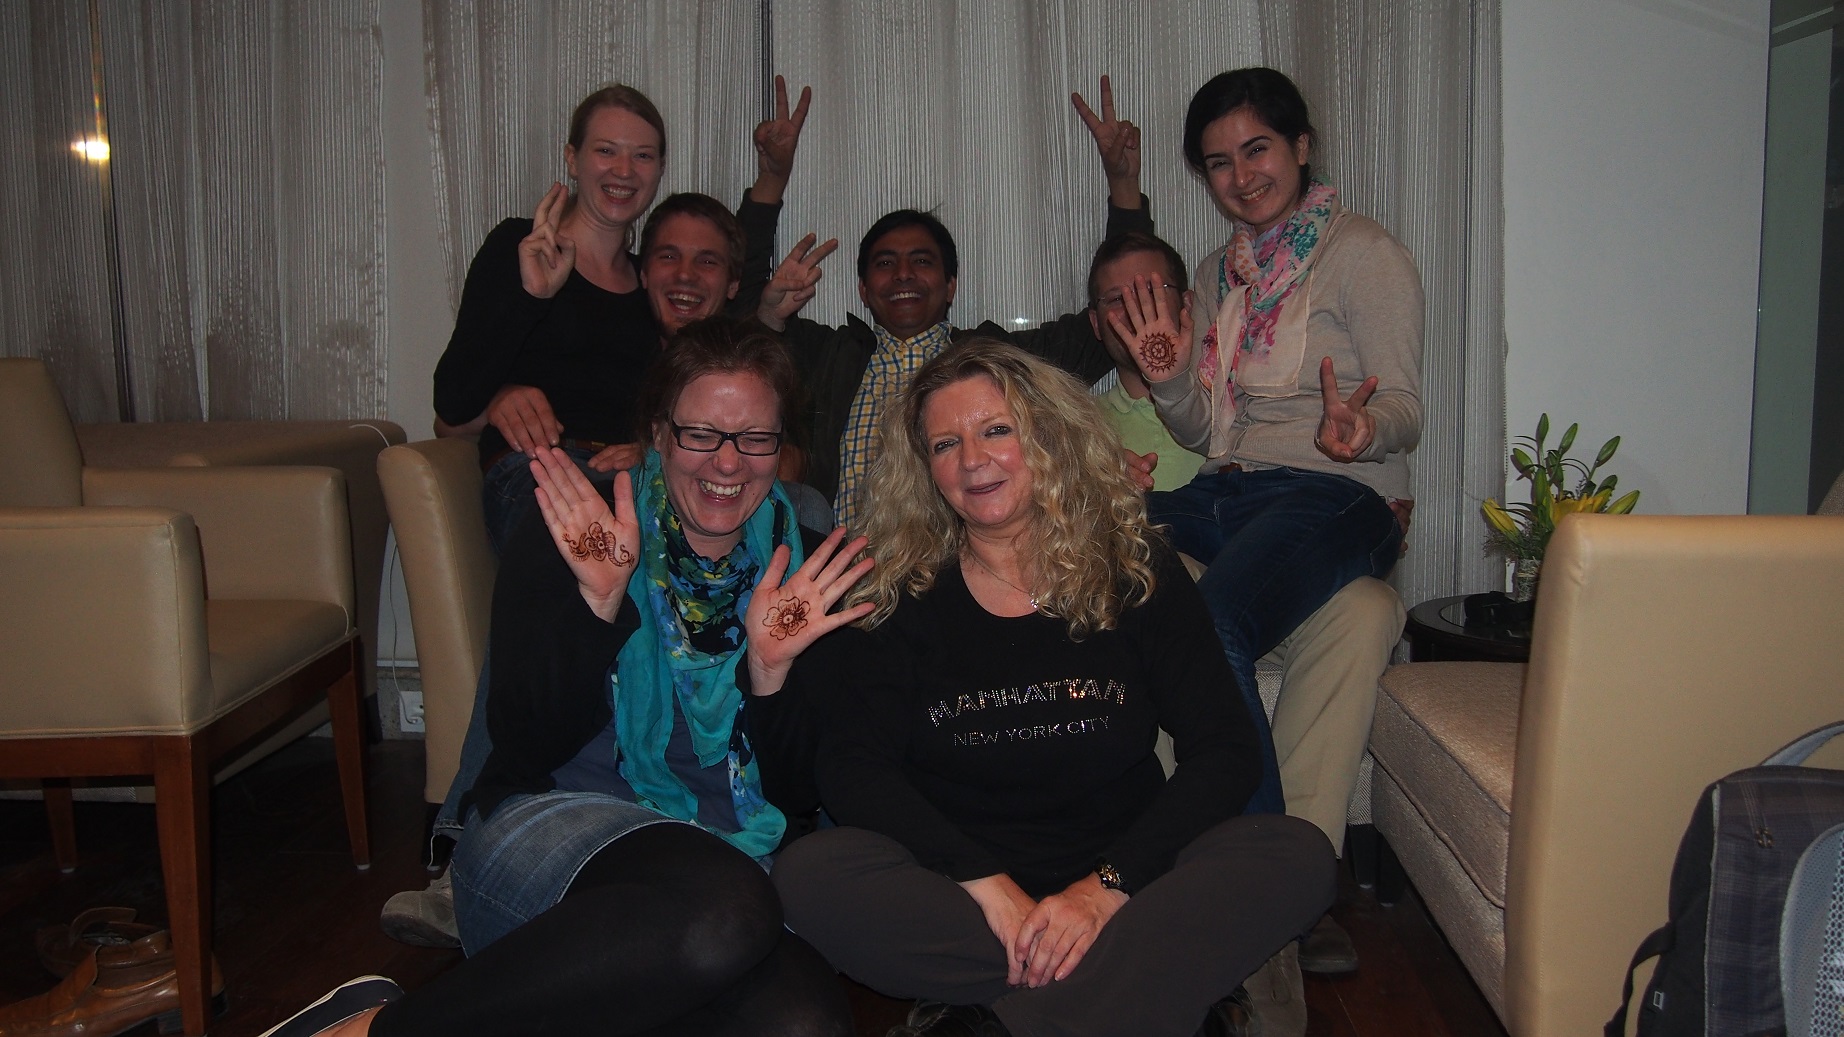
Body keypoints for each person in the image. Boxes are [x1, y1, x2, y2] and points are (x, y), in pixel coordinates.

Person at [265, 320, 870, 1037]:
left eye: (754, 437)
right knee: (721, 911)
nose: (729, 462)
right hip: (553, 834)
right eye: (701, 433)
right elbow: (523, 742)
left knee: (806, 1025)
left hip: (730, 862)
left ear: (782, 445)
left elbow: (798, 796)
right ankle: (368, 1033)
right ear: (658, 433)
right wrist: (598, 603)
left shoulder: (806, 572)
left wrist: (769, 671)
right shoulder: (581, 530)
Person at [770, 340, 1335, 1037]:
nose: (972, 459)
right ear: (924, 469)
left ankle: (997, 1023)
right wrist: (984, 882)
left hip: (1127, 888)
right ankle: (1137, 993)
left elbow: (1225, 749)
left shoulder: (1135, 567)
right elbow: (853, 767)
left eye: (995, 430)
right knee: (811, 873)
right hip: (966, 899)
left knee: (1296, 855)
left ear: (1048, 438)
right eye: (945, 444)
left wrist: (1104, 891)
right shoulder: (897, 593)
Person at [1105, 67, 1421, 976]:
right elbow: (1202, 428)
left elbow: (1405, 408)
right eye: (1219, 163)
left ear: (1301, 146)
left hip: (1335, 492)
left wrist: (1362, 428)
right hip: (1227, 488)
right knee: (1097, 546)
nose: (1241, 177)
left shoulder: (1366, 253)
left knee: (1212, 624)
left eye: (1257, 150)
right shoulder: (1217, 272)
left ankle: (1269, 878)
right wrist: (1170, 376)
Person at [754, 81, 1159, 529]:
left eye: (921, 261)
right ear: (863, 290)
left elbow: (1116, 310)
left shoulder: (995, 359)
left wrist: (1124, 185)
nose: (903, 274)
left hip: (958, 561)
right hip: (843, 559)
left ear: (951, 286)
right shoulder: (826, 356)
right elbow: (726, 339)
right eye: (885, 263)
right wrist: (771, 188)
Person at [432, 78, 810, 554]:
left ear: (659, 170)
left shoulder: (649, 283)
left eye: (643, 156)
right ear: (573, 159)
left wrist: (772, 181)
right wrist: (527, 314)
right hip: (542, 473)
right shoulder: (523, 248)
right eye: (606, 150)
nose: (624, 170)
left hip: (633, 476)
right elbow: (452, 406)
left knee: (798, 507)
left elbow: (723, 274)